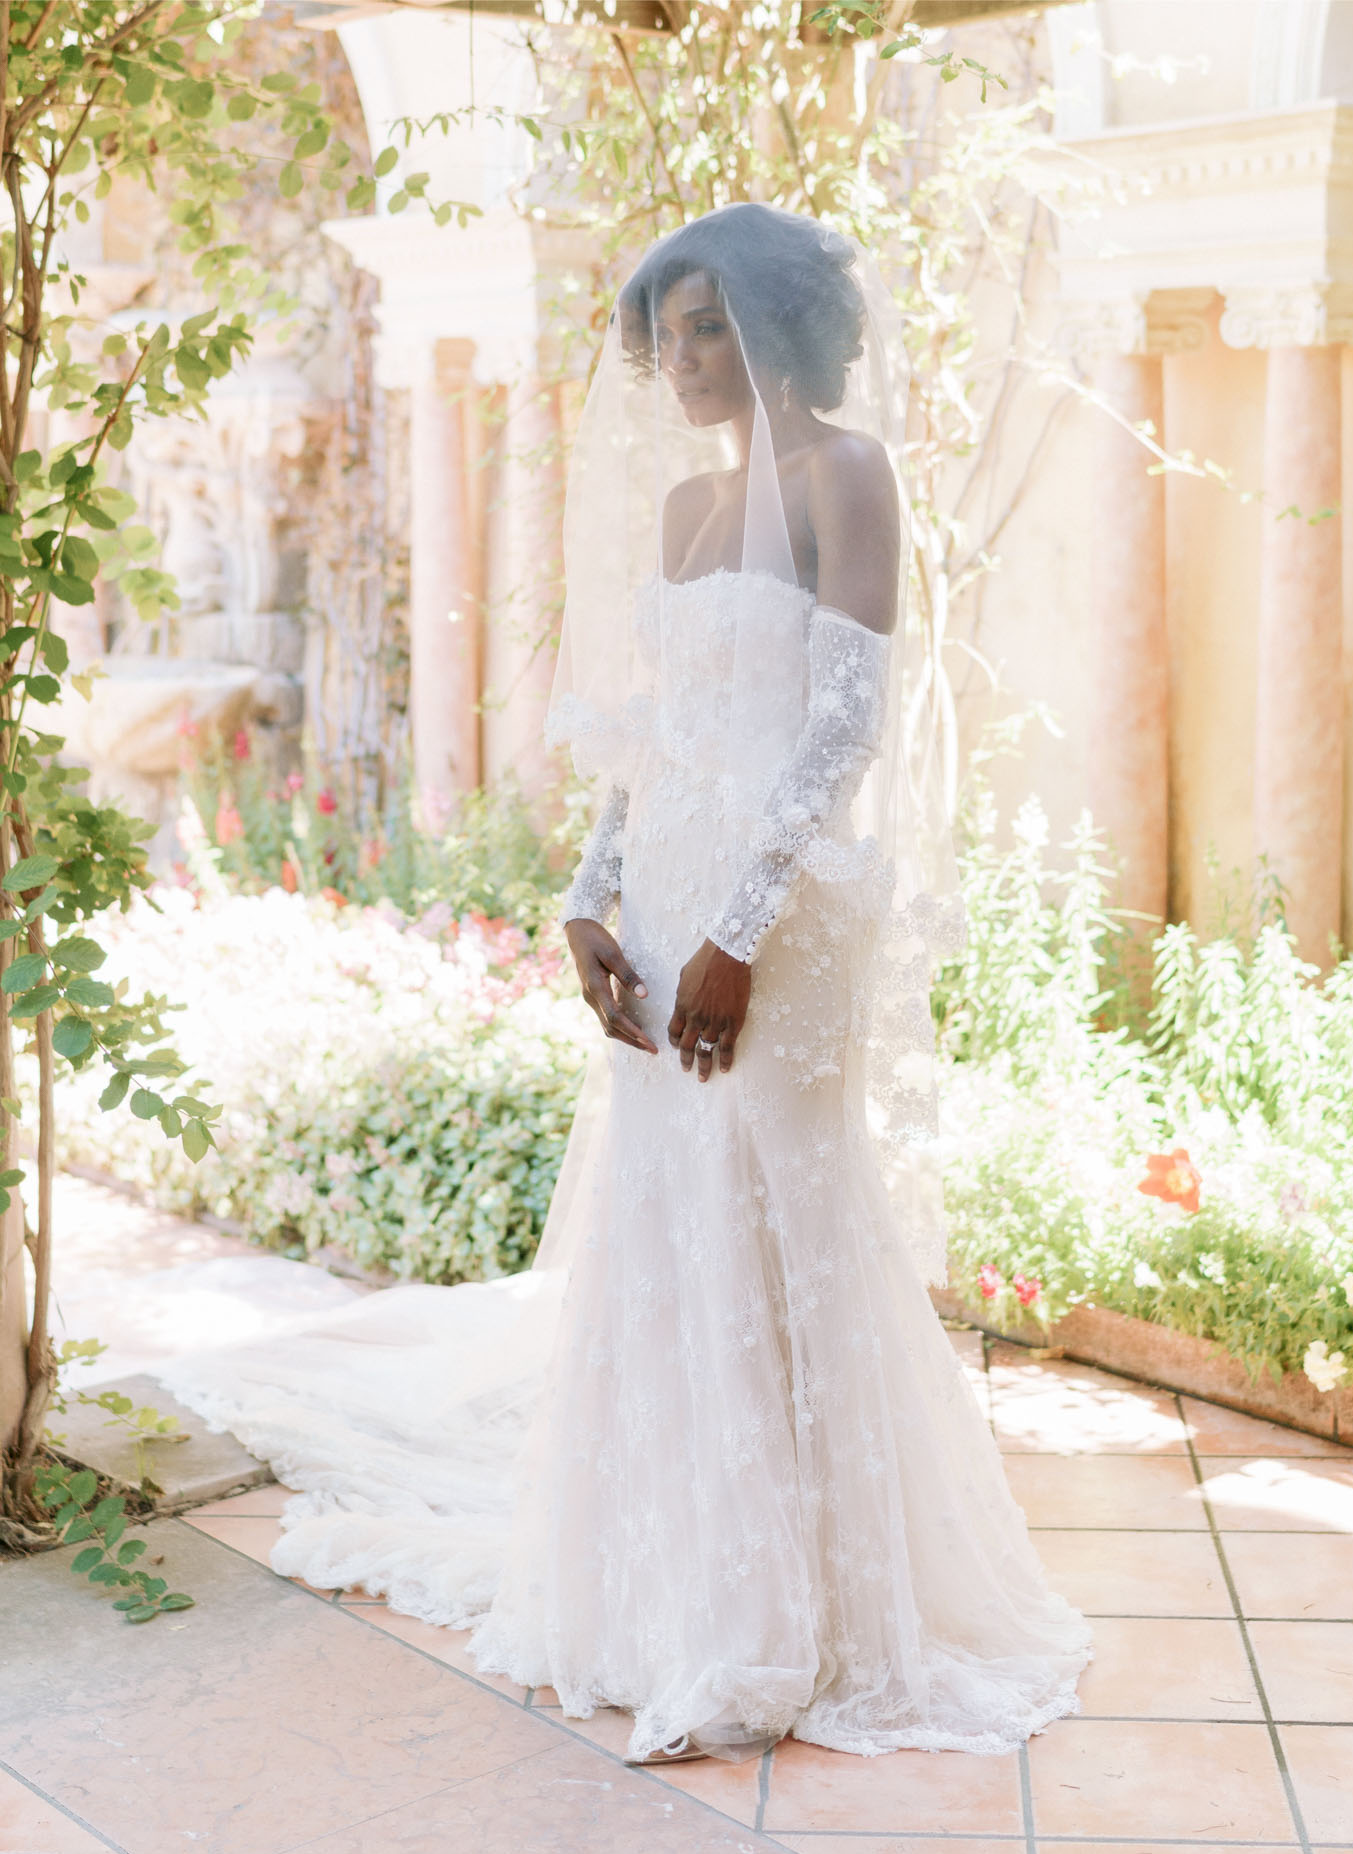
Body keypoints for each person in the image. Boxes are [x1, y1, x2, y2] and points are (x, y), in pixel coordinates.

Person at [160, 204, 1090, 1767]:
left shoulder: (845, 475)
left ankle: (822, 1615)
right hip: (663, 897)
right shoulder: (680, 512)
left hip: (778, 913)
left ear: (782, 325)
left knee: (787, 1215)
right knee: (672, 1230)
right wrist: (591, 899)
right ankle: (683, 1594)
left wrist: (740, 929)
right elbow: (663, 729)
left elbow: (839, 730)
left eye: (708, 324)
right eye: (665, 330)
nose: (679, 355)